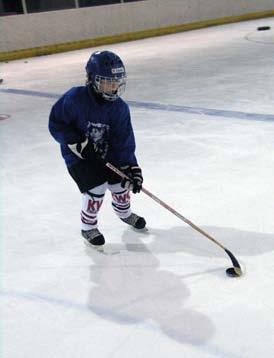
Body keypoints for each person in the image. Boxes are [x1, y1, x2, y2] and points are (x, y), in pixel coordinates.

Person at [48, 50, 146, 248]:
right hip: (79, 156)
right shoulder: (75, 98)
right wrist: (77, 143)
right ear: (92, 79)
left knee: (122, 184)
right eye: (107, 81)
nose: (114, 86)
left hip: (107, 154)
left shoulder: (120, 108)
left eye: (117, 81)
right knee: (96, 188)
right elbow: (57, 123)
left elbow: (123, 141)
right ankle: (88, 226)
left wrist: (131, 167)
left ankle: (124, 214)